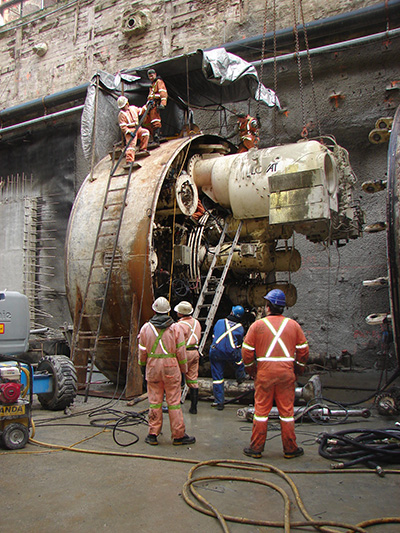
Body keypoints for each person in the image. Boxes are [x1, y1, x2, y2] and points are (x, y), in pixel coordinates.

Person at [241, 289, 309, 459]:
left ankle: (256, 448)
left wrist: (252, 370)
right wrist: (298, 368)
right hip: (286, 373)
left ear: (268, 306)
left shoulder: (257, 326)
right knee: (287, 413)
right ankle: (290, 449)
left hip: (264, 373)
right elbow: (303, 350)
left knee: (261, 412)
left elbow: (247, 351)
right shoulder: (293, 325)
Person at [138, 296, 196, 446]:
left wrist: (143, 367)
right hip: (171, 367)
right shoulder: (175, 328)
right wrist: (183, 370)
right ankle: (178, 435)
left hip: (153, 367)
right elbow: (181, 352)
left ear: (154, 310)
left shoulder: (146, 328)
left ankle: (152, 434)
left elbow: (142, 351)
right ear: (169, 310)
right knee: (174, 402)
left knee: (155, 402)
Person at [209, 305, 247, 410]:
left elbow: (214, 334)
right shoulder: (240, 328)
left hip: (216, 351)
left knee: (217, 377)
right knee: (239, 361)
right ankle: (240, 377)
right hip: (230, 352)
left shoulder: (220, 322)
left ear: (231, 312)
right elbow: (239, 343)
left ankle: (219, 401)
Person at [174, 301, 202, 414]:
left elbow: (176, 341)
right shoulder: (196, 322)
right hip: (195, 352)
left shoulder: (180, 325)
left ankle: (174, 405)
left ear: (180, 313)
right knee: (193, 379)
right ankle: (193, 408)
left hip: (184, 353)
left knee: (177, 379)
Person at [117, 95, 150, 164]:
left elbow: (141, 111)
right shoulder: (121, 115)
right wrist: (128, 132)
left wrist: (147, 105)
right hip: (130, 130)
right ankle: (129, 160)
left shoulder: (133, 108)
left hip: (137, 128)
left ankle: (143, 149)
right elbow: (123, 126)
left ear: (127, 104)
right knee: (131, 145)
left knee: (145, 133)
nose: (123, 108)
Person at [144, 69, 168, 145]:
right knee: (148, 121)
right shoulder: (152, 85)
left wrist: (163, 103)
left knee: (155, 120)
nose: (151, 77)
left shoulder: (159, 82)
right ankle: (154, 136)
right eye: (149, 76)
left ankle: (157, 137)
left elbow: (163, 93)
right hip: (151, 105)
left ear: (155, 74)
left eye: (152, 75)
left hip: (155, 104)